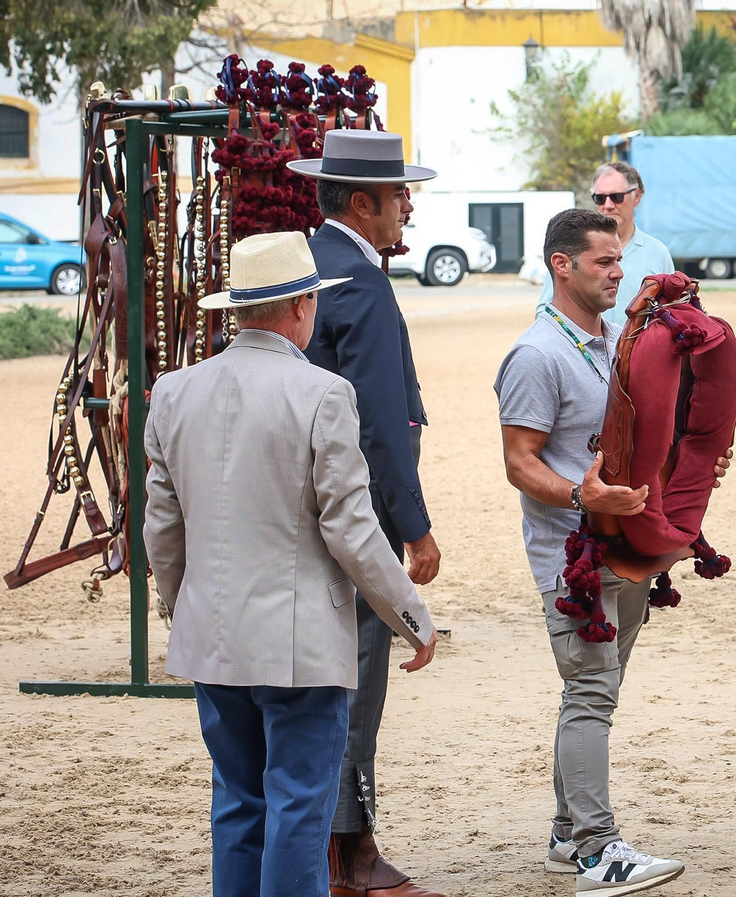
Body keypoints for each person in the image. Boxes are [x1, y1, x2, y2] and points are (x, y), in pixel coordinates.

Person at [144, 232, 438, 897]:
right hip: (300, 646)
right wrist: (411, 616)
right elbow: (354, 530)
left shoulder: (174, 391)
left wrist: (181, 603)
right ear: (302, 307)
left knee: (237, 802)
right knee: (299, 807)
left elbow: (161, 526)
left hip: (214, 638)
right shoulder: (323, 393)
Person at [495, 209, 731, 895]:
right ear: (561, 265)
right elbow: (518, 461)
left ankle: (568, 837)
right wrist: (583, 495)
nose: (618, 271)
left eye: (620, 259)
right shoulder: (536, 353)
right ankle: (598, 853)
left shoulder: (615, 342)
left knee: (597, 693)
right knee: (591, 692)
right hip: (571, 556)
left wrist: (695, 466)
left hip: (626, 550)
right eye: (603, 261)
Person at [287, 129, 445, 897]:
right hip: (355, 511)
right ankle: (353, 855)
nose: (407, 204)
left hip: (292, 507)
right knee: (356, 680)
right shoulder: (362, 282)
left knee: (319, 684)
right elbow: (382, 420)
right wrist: (412, 526)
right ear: (362, 202)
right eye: (398, 194)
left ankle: (331, 848)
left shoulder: (303, 268)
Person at [539, 161, 675, 328]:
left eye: (616, 197)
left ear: (637, 196)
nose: (608, 205)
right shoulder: (572, 246)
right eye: (600, 198)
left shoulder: (658, 253)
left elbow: (672, 312)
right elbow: (546, 310)